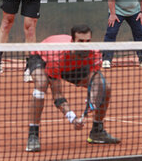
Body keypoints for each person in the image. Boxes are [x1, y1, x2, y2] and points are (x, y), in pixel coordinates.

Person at [26, 24, 120, 152]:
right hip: (42, 58)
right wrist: (72, 118)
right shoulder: (56, 56)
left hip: (72, 66)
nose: (84, 45)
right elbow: (57, 95)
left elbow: (96, 82)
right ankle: (33, 134)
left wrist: (93, 98)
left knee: (106, 87)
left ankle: (97, 131)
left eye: (87, 41)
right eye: (80, 41)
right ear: (72, 41)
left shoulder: (94, 53)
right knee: (41, 84)